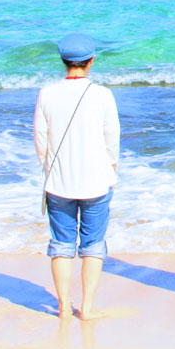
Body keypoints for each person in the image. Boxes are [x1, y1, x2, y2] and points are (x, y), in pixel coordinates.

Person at [33, 33, 120, 320]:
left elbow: (40, 140)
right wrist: (111, 169)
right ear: (91, 61)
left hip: (58, 183)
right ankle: (88, 308)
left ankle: (62, 306)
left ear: (63, 60)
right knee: (93, 246)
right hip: (96, 182)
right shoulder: (103, 95)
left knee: (61, 245)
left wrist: (50, 168)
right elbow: (112, 139)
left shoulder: (47, 93)